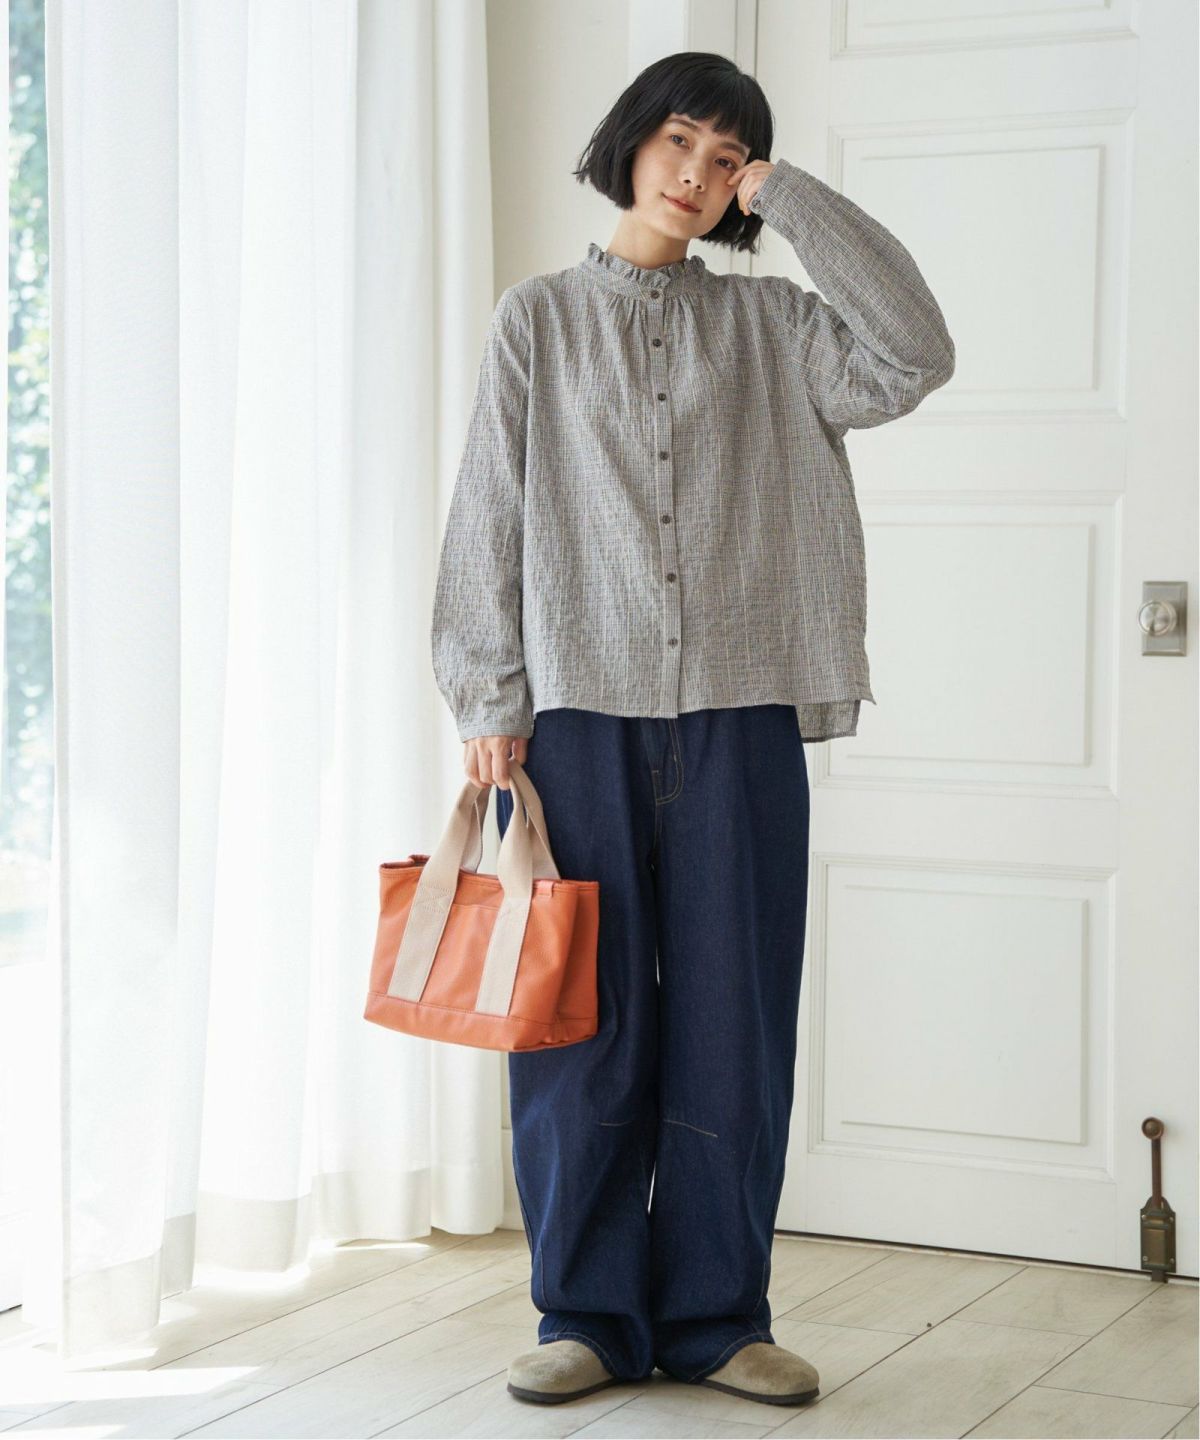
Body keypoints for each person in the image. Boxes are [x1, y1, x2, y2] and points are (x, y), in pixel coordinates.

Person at [430, 50, 954, 1408]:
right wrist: (487, 698)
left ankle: (721, 1319)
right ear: (631, 142)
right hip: (575, 723)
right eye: (681, 141)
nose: (698, 174)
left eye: (729, 160)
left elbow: (917, 352)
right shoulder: (539, 320)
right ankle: (586, 1316)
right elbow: (488, 508)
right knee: (577, 1027)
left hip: (742, 715)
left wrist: (791, 198)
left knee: (735, 1027)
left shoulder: (779, 327)